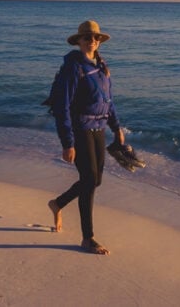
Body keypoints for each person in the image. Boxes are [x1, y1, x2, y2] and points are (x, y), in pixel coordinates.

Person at [47, 20, 125, 255]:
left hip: (99, 129)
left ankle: (58, 203)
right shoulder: (74, 67)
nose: (92, 41)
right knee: (89, 180)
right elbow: (62, 107)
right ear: (79, 41)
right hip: (81, 129)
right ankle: (87, 237)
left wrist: (117, 127)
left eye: (95, 38)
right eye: (87, 37)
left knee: (95, 180)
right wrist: (67, 143)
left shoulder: (101, 66)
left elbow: (108, 101)